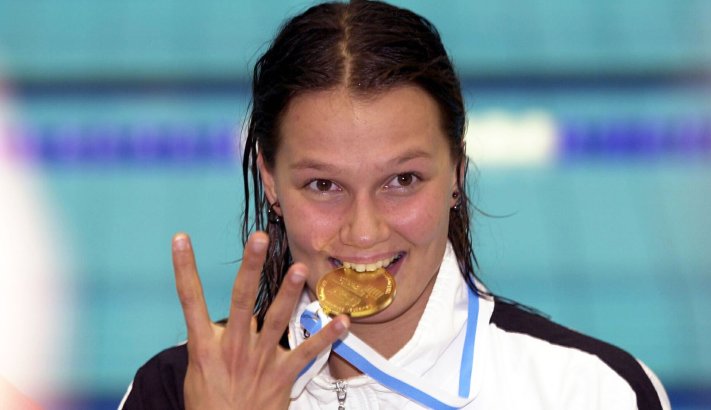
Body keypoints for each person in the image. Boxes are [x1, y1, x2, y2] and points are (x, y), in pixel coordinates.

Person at [119, 1, 671, 408]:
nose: (364, 232)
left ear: (456, 171)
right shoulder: (179, 390)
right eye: (323, 185)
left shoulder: (590, 389)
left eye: (402, 180)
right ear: (270, 182)